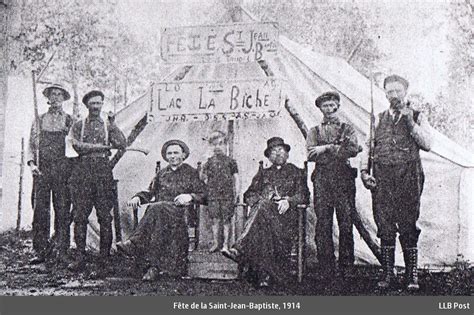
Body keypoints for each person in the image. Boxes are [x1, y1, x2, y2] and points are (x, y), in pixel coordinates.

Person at [360, 75, 432, 291]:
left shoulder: (418, 116)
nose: (394, 95)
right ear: (385, 94)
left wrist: (410, 122)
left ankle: (412, 276)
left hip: (408, 175)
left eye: (398, 91)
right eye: (390, 91)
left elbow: (427, 144)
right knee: (385, 224)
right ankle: (388, 274)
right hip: (382, 177)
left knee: (408, 224)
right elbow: (368, 146)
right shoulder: (378, 118)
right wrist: (364, 172)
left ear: (405, 92)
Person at [222, 137, 310, 287]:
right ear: (268, 156)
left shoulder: (296, 172)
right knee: (263, 212)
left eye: (281, 150)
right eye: (273, 151)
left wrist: (288, 200)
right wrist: (259, 200)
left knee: (262, 213)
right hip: (263, 219)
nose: (277, 153)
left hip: (285, 220)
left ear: (287, 153)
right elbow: (249, 194)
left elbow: (304, 195)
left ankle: (240, 249)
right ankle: (267, 276)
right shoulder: (263, 173)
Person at [116, 140, 207, 281]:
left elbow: (204, 195)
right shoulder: (162, 174)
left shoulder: (191, 172)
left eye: (176, 152)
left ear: (183, 155)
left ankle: (134, 244)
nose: (172, 156)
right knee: (158, 217)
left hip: (181, 213)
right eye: (169, 153)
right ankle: (154, 268)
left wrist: (189, 196)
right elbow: (149, 191)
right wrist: (138, 198)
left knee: (156, 208)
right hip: (160, 214)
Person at [67, 90, 126, 272]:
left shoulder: (108, 126)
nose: (96, 107)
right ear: (87, 105)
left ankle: (104, 259)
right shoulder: (78, 125)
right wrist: (100, 147)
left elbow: (121, 144)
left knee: (105, 216)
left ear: (102, 104)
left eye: (99, 103)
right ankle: (80, 258)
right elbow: (75, 145)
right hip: (83, 170)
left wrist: (114, 125)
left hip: (102, 171)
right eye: (92, 104)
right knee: (80, 216)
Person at [305, 91, 362, 279]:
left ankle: (346, 267)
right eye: (325, 106)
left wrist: (327, 148)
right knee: (323, 223)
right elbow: (311, 154)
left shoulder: (347, 128)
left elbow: (353, 149)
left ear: (337, 106)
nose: (328, 109)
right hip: (322, 179)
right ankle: (326, 267)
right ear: (320, 109)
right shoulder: (314, 130)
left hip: (343, 178)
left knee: (345, 222)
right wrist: (338, 149)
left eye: (331, 105)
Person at [27, 84, 74, 265]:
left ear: (63, 98)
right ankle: (40, 251)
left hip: (62, 171)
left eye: (59, 95)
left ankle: (62, 251)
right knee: (40, 210)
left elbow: (74, 147)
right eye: (52, 94)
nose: (55, 98)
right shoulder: (39, 120)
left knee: (62, 210)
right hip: (42, 171)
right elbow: (32, 145)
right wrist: (32, 165)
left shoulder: (70, 121)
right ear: (48, 97)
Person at [202, 130, 240, 254]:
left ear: (225, 145)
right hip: (213, 195)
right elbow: (203, 178)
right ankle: (216, 243)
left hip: (227, 195)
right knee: (215, 219)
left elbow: (236, 178)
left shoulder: (230, 161)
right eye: (214, 144)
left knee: (226, 220)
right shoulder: (209, 162)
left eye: (220, 144)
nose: (217, 147)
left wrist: (237, 193)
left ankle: (225, 245)